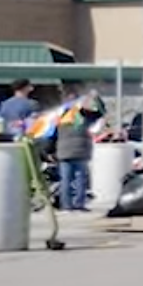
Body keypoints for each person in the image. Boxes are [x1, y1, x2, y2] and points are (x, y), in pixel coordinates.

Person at [49, 84, 102, 212]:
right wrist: (95, 98)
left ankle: (66, 205)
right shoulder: (83, 115)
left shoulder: (59, 117)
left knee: (65, 179)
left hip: (64, 151)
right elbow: (99, 113)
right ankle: (79, 204)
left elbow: (51, 134)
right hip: (81, 151)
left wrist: (51, 151)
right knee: (80, 179)